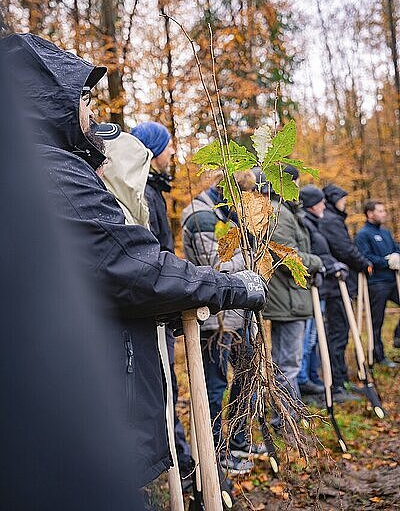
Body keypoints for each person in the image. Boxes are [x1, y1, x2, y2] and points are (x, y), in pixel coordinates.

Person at [3, 33, 267, 490]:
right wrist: (229, 286)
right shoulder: (55, 174)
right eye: (84, 99)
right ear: (50, 100)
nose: (93, 113)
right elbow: (132, 265)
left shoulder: (40, 169)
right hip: (74, 400)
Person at [181, 170, 265, 475]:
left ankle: (240, 441)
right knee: (215, 386)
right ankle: (214, 452)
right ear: (226, 192)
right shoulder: (202, 217)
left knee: (246, 380)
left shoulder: (229, 217)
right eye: (240, 198)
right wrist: (249, 260)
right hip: (214, 321)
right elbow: (214, 269)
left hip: (240, 315)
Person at [130, 121, 192, 480]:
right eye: (168, 147)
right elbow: (155, 257)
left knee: (167, 384)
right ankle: (178, 465)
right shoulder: (147, 195)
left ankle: (179, 459)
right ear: (153, 152)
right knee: (164, 386)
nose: (173, 153)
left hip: (161, 309)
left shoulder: (153, 191)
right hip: (154, 313)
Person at [263, 167, 323, 429]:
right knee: (288, 363)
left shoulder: (286, 211)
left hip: (292, 299)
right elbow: (289, 258)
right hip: (287, 301)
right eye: (295, 182)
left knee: (286, 362)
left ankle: (287, 416)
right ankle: (286, 420)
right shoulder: (279, 213)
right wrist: (318, 263)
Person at [299, 186, 359, 403]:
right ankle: (306, 384)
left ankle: (313, 380)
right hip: (317, 289)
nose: (324, 205)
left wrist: (333, 264)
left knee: (314, 339)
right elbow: (314, 254)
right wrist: (332, 266)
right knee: (307, 341)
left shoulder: (315, 224)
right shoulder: (311, 224)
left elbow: (323, 253)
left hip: (323, 287)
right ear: (312, 204)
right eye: (320, 202)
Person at [319, 184, 372, 390]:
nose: (345, 203)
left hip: (338, 284)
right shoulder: (331, 220)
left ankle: (341, 377)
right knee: (338, 333)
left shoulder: (331, 218)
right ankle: (338, 382)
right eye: (342, 199)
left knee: (339, 332)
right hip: (335, 286)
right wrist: (364, 263)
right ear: (333, 199)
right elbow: (345, 249)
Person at [355, 200, 400, 366]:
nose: (384, 214)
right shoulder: (363, 235)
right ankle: (377, 357)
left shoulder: (386, 232)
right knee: (377, 321)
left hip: (393, 281)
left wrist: (396, 256)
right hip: (376, 284)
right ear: (370, 213)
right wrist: (385, 261)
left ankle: (398, 337)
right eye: (380, 211)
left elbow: (396, 248)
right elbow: (365, 257)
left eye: (383, 210)